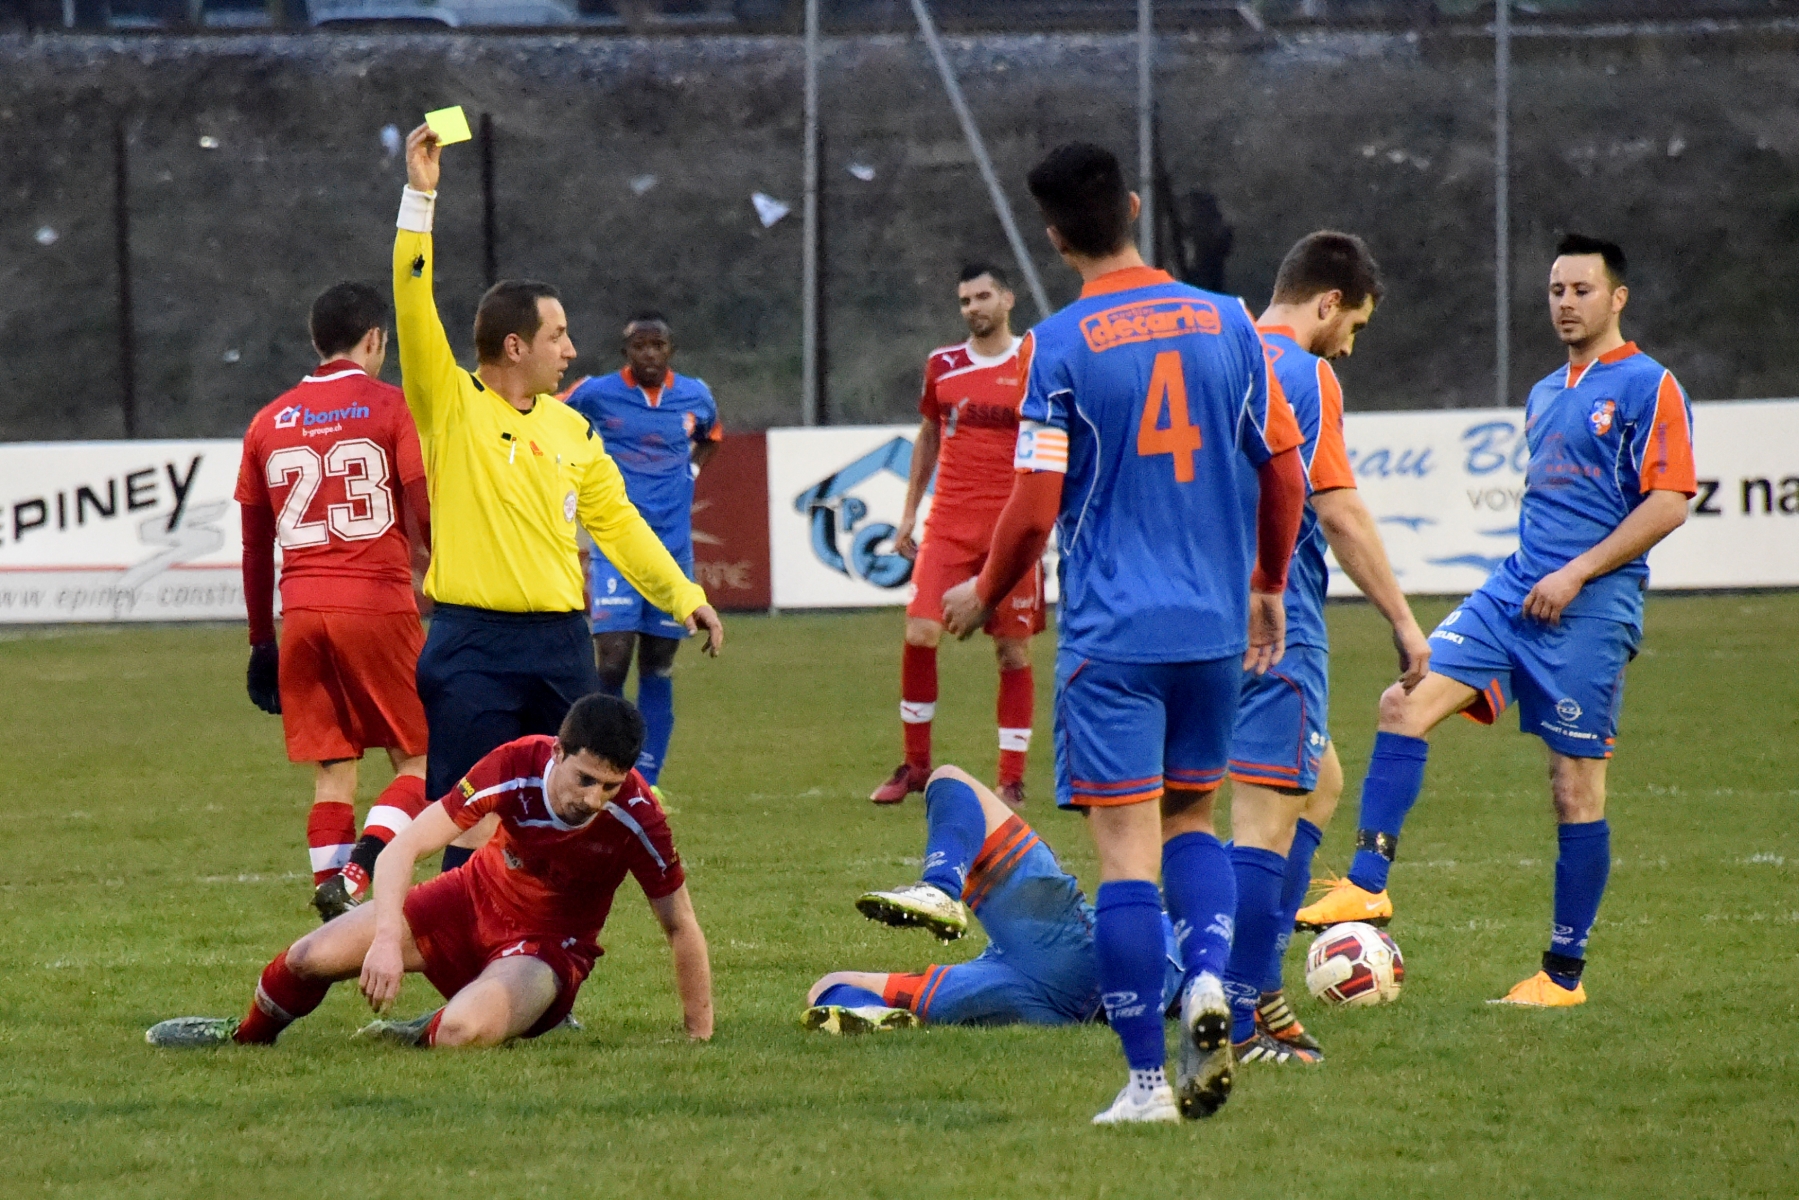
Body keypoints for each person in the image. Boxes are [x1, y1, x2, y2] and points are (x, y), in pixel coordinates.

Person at [943, 142, 1306, 1125]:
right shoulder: (1227, 322)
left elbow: (1028, 506)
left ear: (1056, 239)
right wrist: (1268, 586)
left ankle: (1146, 1084)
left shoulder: (1057, 345)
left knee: (1123, 857)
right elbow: (1283, 472)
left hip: (1114, 635)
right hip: (1212, 630)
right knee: (1192, 817)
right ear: (1135, 208)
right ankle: (1205, 982)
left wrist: (984, 590)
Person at [1298, 233, 1694, 1007]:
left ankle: (1560, 976)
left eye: (1580, 290)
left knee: (1573, 788)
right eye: (1554, 291)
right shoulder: (1545, 392)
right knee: (1402, 701)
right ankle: (1367, 885)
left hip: (1591, 606)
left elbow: (1670, 502)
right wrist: (1542, 572)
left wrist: (1578, 571)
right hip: (1512, 593)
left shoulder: (1651, 386)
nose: (1565, 304)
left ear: (1616, 298)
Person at [391, 124, 724, 871]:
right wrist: (421, 197)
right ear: (516, 346)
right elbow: (412, 301)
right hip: (471, 644)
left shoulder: (574, 429)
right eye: (559, 335)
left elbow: (618, 523)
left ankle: (542, 969)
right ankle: (464, 973)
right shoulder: (450, 405)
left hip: (558, 646)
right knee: (471, 830)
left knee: (571, 823)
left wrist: (681, 593)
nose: (572, 350)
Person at [145, 693, 714, 1048]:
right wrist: (388, 940)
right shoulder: (514, 764)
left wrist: (699, 1035)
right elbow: (403, 848)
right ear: (558, 754)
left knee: (463, 1032)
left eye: (609, 787)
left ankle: (425, 1028)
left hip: (547, 950)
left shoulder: (637, 815)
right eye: (585, 780)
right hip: (468, 901)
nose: (594, 799)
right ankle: (242, 1038)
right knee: (308, 958)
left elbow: (679, 926)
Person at [1207, 232, 1431, 1064]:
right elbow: (1337, 512)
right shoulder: (1305, 375)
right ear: (1328, 303)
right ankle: (1237, 1017)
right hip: (1275, 625)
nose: (1350, 342)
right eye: (1356, 325)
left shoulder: (1211, 357)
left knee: (1321, 784)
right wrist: (1405, 623)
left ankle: (1249, 984)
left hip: (1195, 621)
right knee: (1262, 824)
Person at [234, 281, 435, 923]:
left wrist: (261, 643)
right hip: (375, 604)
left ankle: (338, 913)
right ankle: (358, 872)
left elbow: (252, 548)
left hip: (301, 614)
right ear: (375, 338)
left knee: (334, 769)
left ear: (315, 341)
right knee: (423, 757)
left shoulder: (267, 421)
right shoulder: (389, 405)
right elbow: (422, 505)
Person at [805, 766, 1180, 1033]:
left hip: (1045, 970)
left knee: (950, 778)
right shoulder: (1205, 906)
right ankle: (874, 1016)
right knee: (827, 987)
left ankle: (939, 886)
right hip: (1051, 972)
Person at [870, 265, 1044, 809]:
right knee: (921, 632)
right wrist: (907, 515)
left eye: (983, 296)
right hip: (948, 523)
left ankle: (1010, 777)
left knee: (1012, 652)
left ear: (1008, 299)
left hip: (1011, 529)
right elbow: (927, 435)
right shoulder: (942, 365)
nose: (973, 307)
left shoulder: (1034, 361)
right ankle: (915, 766)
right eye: (965, 299)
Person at [562, 312, 723, 790]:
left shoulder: (696, 395)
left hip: (672, 548)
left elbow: (710, 437)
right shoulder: (595, 392)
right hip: (617, 545)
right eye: (640, 346)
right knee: (611, 659)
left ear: (670, 349)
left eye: (658, 345)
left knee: (659, 662)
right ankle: (596, 763)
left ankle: (645, 784)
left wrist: (691, 473)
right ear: (626, 351)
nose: (649, 354)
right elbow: (552, 418)